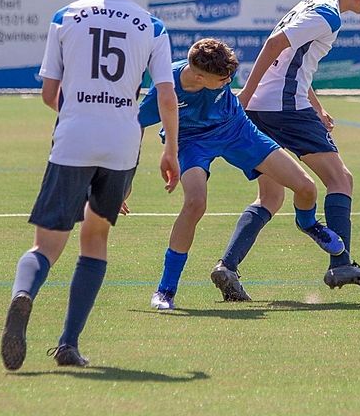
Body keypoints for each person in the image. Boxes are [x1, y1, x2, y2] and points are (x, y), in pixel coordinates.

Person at [0, 0, 180, 371]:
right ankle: (68, 344)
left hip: (75, 139)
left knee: (46, 245)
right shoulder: (152, 27)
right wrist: (171, 150)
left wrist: (80, 109)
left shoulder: (65, 17)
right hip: (121, 145)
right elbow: (166, 96)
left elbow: (49, 93)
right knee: (95, 238)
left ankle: (24, 294)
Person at [210, 0, 360, 302]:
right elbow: (275, 46)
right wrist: (243, 93)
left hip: (267, 108)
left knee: (270, 196)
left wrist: (317, 107)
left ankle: (227, 267)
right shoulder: (328, 14)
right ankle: (341, 262)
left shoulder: (313, 4)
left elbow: (290, 61)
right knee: (341, 180)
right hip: (285, 109)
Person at [138, 37, 345, 310]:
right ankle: (165, 290)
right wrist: (124, 179)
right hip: (192, 141)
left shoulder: (219, 73)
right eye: (223, 81)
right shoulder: (167, 89)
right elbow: (135, 125)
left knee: (306, 187)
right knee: (194, 203)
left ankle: (308, 224)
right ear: (199, 77)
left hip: (236, 129)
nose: (228, 83)